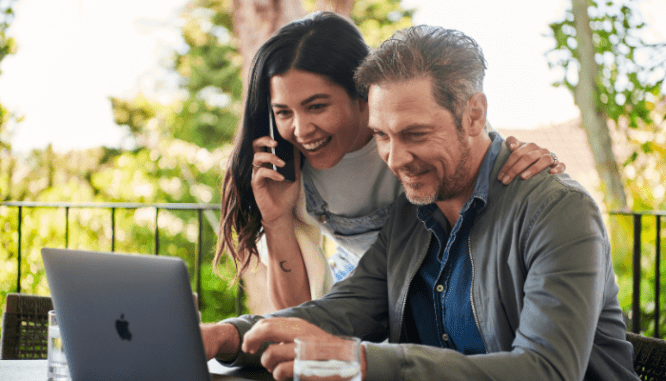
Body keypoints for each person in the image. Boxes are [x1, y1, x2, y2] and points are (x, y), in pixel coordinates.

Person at [201, 24, 639, 381]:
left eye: (415, 134)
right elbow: (341, 310)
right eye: (381, 136)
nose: (396, 159)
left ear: (474, 115)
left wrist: (362, 362)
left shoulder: (557, 211)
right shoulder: (411, 213)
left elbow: (547, 370)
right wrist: (226, 336)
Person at [216, 12, 566, 310]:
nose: (301, 129)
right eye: (283, 112)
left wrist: (530, 161)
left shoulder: (417, 125)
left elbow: (488, 159)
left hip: (445, 292)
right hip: (363, 296)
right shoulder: (287, 173)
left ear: (361, 95)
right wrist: (276, 219)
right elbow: (294, 314)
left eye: (317, 106)